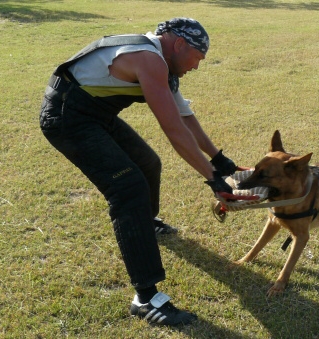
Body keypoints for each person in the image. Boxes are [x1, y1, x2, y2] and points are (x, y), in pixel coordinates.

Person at [39, 17, 236, 326]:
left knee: (148, 163)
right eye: (197, 58)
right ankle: (146, 299)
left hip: (94, 114)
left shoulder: (160, 62)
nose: (196, 66)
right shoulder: (150, 59)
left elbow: (185, 117)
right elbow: (173, 129)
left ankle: (146, 223)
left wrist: (219, 159)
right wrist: (212, 178)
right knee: (129, 189)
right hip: (67, 117)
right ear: (179, 44)